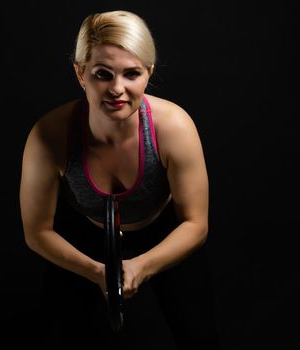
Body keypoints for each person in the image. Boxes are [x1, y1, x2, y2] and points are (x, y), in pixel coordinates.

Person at [19, 10, 220, 349]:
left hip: (164, 232)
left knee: (198, 336)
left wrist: (140, 266)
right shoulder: (50, 135)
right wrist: (98, 272)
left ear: (148, 73)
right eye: (102, 74)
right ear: (80, 73)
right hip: (85, 234)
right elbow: (37, 231)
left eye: (132, 74)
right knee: (53, 337)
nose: (117, 89)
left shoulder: (174, 127)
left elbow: (195, 224)